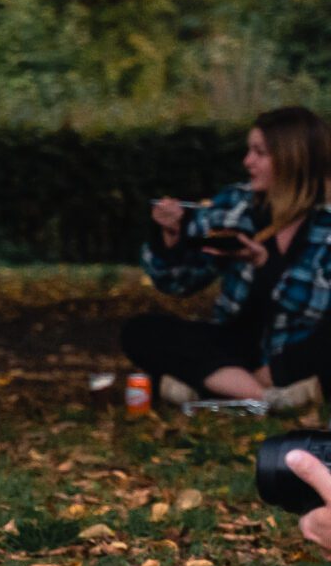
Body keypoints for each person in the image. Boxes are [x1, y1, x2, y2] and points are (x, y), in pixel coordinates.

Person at [126, 106, 331, 413]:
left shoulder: (325, 222)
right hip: (237, 344)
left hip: (297, 350)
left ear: (292, 158)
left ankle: (215, 388)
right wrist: (170, 239)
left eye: (259, 153)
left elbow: (315, 307)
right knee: (141, 330)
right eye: (249, 151)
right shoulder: (236, 205)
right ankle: (266, 399)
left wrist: (266, 266)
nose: (247, 162)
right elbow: (176, 283)